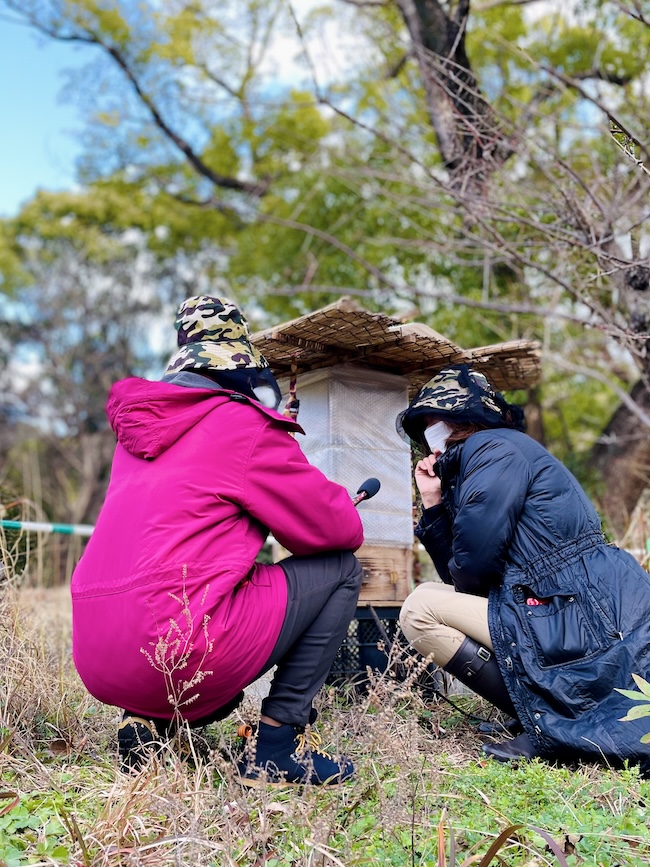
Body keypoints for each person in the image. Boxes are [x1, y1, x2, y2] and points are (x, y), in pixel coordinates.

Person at [70, 295, 365, 786]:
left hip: (99, 657)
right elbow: (339, 530)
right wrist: (279, 441)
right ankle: (275, 746)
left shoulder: (136, 437)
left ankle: (144, 726)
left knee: (186, 581)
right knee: (342, 570)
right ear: (242, 371)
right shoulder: (244, 426)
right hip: (177, 652)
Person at [396, 364, 650, 773]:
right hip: (559, 604)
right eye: (424, 425)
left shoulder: (493, 451)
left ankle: (547, 725)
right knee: (429, 598)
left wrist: (443, 512)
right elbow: (464, 580)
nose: (429, 433)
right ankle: (541, 715)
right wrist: (433, 502)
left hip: (578, 609)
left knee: (419, 608)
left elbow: (472, 570)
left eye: (434, 421)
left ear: (462, 420)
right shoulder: (487, 457)